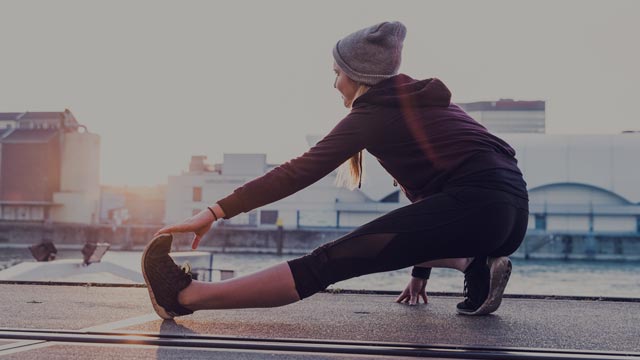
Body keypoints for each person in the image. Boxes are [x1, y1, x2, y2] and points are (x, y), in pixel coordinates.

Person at [141, 21, 529, 320]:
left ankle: (184, 296)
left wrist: (212, 212)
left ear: (359, 75)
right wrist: (420, 274)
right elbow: (433, 208)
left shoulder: (374, 114)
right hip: (510, 217)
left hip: (477, 207)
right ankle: (477, 268)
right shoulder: (424, 102)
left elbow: (297, 171)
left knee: (328, 261)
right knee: (380, 244)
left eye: (337, 72)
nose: (334, 83)